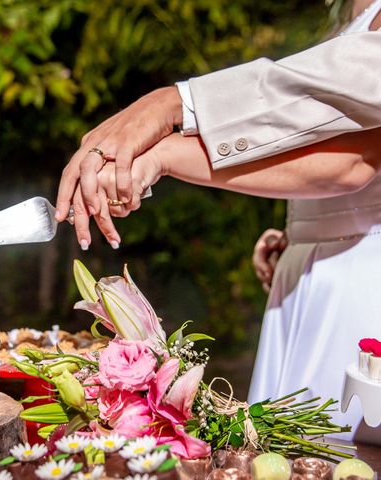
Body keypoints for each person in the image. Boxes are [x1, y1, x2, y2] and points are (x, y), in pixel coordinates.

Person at [58, 1, 381, 442]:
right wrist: (301, 234)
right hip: (309, 276)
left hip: (352, 287)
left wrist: (170, 123)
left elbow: (353, 163)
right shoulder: (348, 14)